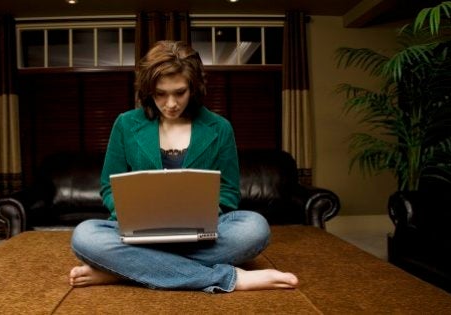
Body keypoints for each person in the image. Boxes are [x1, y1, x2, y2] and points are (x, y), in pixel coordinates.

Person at [69, 40, 298, 292]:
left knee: (255, 228)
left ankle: (125, 271)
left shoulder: (220, 128)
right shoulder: (125, 124)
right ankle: (228, 278)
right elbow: (108, 187)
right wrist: (133, 213)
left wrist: (197, 213)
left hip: (199, 234)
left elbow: (229, 192)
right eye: (160, 94)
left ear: (194, 87)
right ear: (148, 91)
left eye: (180, 92)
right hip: (140, 234)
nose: (170, 103)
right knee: (84, 235)